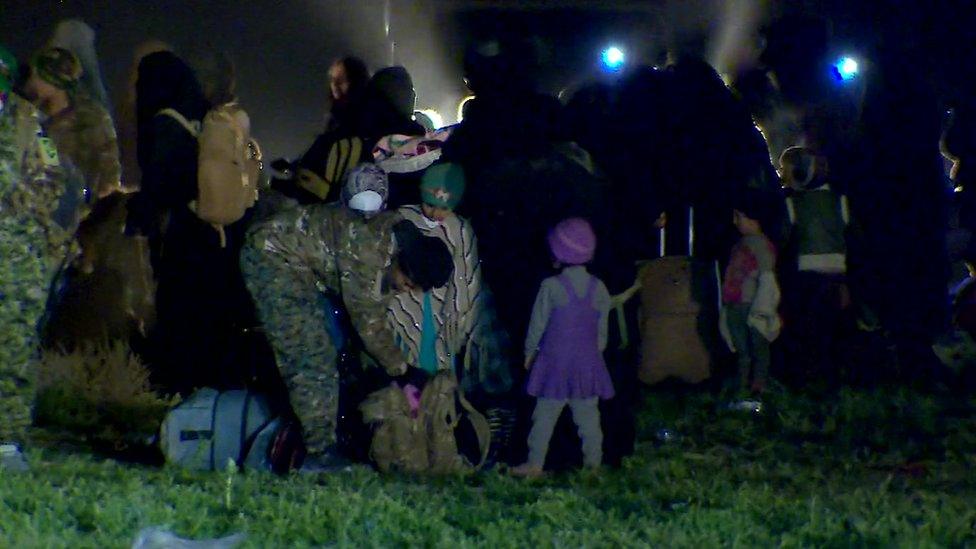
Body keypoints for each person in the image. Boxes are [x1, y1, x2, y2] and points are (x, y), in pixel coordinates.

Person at [241, 165, 454, 467]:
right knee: (311, 355)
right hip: (273, 256)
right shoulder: (370, 250)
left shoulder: (398, 248)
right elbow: (367, 322)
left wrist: (393, 369)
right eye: (408, 283)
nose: (407, 290)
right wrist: (403, 370)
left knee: (341, 355)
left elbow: (372, 322)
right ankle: (319, 454)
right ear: (403, 264)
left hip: (302, 268)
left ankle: (332, 439)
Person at [126, 51, 251, 393]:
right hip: (222, 236)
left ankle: (179, 398)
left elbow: (161, 186)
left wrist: (137, 215)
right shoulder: (206, 117)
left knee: (181, 320)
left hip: (186, 237)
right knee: (213, 322)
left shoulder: (167, 121)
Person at [0, 44, 71, 443]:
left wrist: (15, 207)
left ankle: (7, 439)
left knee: (12, 348)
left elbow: (53, 183)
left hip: (16, 255)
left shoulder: (31, 124)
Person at [511, 218, 614, 477]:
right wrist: (594, 354)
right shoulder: (598, 288)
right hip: (585, 366)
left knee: (544, 418)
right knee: (589, 419)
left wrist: (529, 353)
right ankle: (594, 464)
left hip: (554, 366)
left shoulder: (551, 287)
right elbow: (602, 330)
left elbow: (537, 325)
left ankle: (535, 464)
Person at [779, 146, 851, 384]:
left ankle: (810, 374)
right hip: (838, 272)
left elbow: (784, 237)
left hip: (807, 272)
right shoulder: (840, 200)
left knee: (809, 326)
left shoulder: (794, 203)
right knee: (833, 326)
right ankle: (834, 374)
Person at [24, 47, 121, 205]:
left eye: (40, 76)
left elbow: (109, 171)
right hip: (38, 205)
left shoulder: (91, 118)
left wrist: (90, 201)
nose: (34, 81)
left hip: (80, 205)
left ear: (55, 83)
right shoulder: (31, 115)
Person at [719, 193, 782, 395]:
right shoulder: (740, 244)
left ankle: (758, 386)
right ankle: (742, 386)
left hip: (752, 305)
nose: (735, 222)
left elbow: (767, 276)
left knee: (758, 348)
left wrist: (763, 307)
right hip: (735, 304)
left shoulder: (761, 245)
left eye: (739, 216)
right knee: (742, 350)